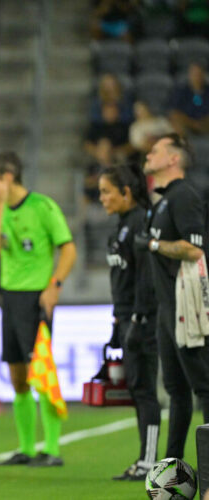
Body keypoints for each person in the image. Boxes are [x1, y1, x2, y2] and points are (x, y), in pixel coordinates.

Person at [0, 151, 77, 467]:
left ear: (7, 177)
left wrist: (55, 285)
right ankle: (26, 448)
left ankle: (51, 449)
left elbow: (68, 248)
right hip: (9, 297)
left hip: (37, 298)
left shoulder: (42, 206)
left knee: (42, 370)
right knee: (18, 375)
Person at [138, 133, 209, 461]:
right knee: (177, 392)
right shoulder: (162, 200)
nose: (148, 155)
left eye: (155, 150)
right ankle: (172, 468)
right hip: (168, 309)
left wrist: (152, 244)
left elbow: (194, 248)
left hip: (187, 311)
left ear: (173, 159)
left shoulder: (184, 196)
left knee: (204, 387)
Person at [99, 164, 161, 481]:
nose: (102, 198)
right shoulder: (123, 225)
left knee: (145, 389)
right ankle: (145, 459)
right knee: (137, 389)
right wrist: (116, 325)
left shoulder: (139, 224)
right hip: (125, 318)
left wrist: (137, 317)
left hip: (142, 319)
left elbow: (145, 278)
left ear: (126, 192)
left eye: (107, 191)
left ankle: (149, 462)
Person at [168, 63, 209, 137]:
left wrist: (201, 123)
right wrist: (193, 123)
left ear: (204, 75)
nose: (197, 77)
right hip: (187, 124)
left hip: (205, 124)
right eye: (194, 74)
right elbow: (174, 112)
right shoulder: (181, 91)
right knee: (175, 121)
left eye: (199, 74)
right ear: (189, 75)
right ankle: (183, 146)